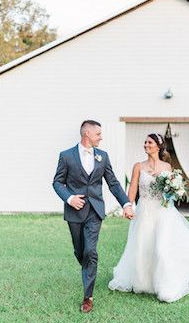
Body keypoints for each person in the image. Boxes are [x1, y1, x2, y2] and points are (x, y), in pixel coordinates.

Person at [108, 133, 189, 302]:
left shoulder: (167, 168)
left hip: (163, 213)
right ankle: (143, 283)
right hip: (145, 211)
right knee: (143, 246)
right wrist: (128, 206)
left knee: (161, 249)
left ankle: (165, 286)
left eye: (149, 142)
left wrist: (174, 191)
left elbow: (169, 192)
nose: (146, 145)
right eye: (145, 142)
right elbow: (133, 187)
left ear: (158, 146)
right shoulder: (138, 166)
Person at [53, 120, 134, 313]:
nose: (101, 137)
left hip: (95, 212)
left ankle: (88, 297)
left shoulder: (103, 157)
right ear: (87, 134)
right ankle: (87, 268)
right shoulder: (66, 156)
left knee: (90, 251)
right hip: (74, 212)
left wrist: (126, 203)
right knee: (80, 251)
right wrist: (70, 198)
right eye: (98, 134)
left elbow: (113, 183)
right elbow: (57, 182)